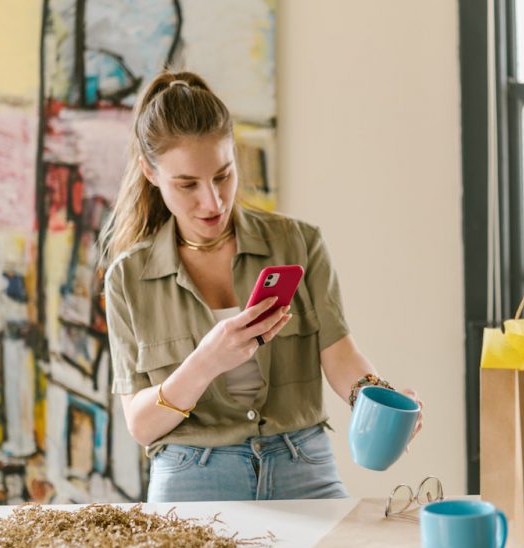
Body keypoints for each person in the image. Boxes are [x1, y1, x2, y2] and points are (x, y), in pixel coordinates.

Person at [101, 70, 422, 502]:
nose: (212, 201)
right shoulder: (128, 277)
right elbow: (141, 425)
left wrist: (378, 398)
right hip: (192, 472)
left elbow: (339, 354)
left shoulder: (298, 242)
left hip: (302, 463)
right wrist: (207, 361)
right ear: (150, 173)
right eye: (188, 184)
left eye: (223, 175)